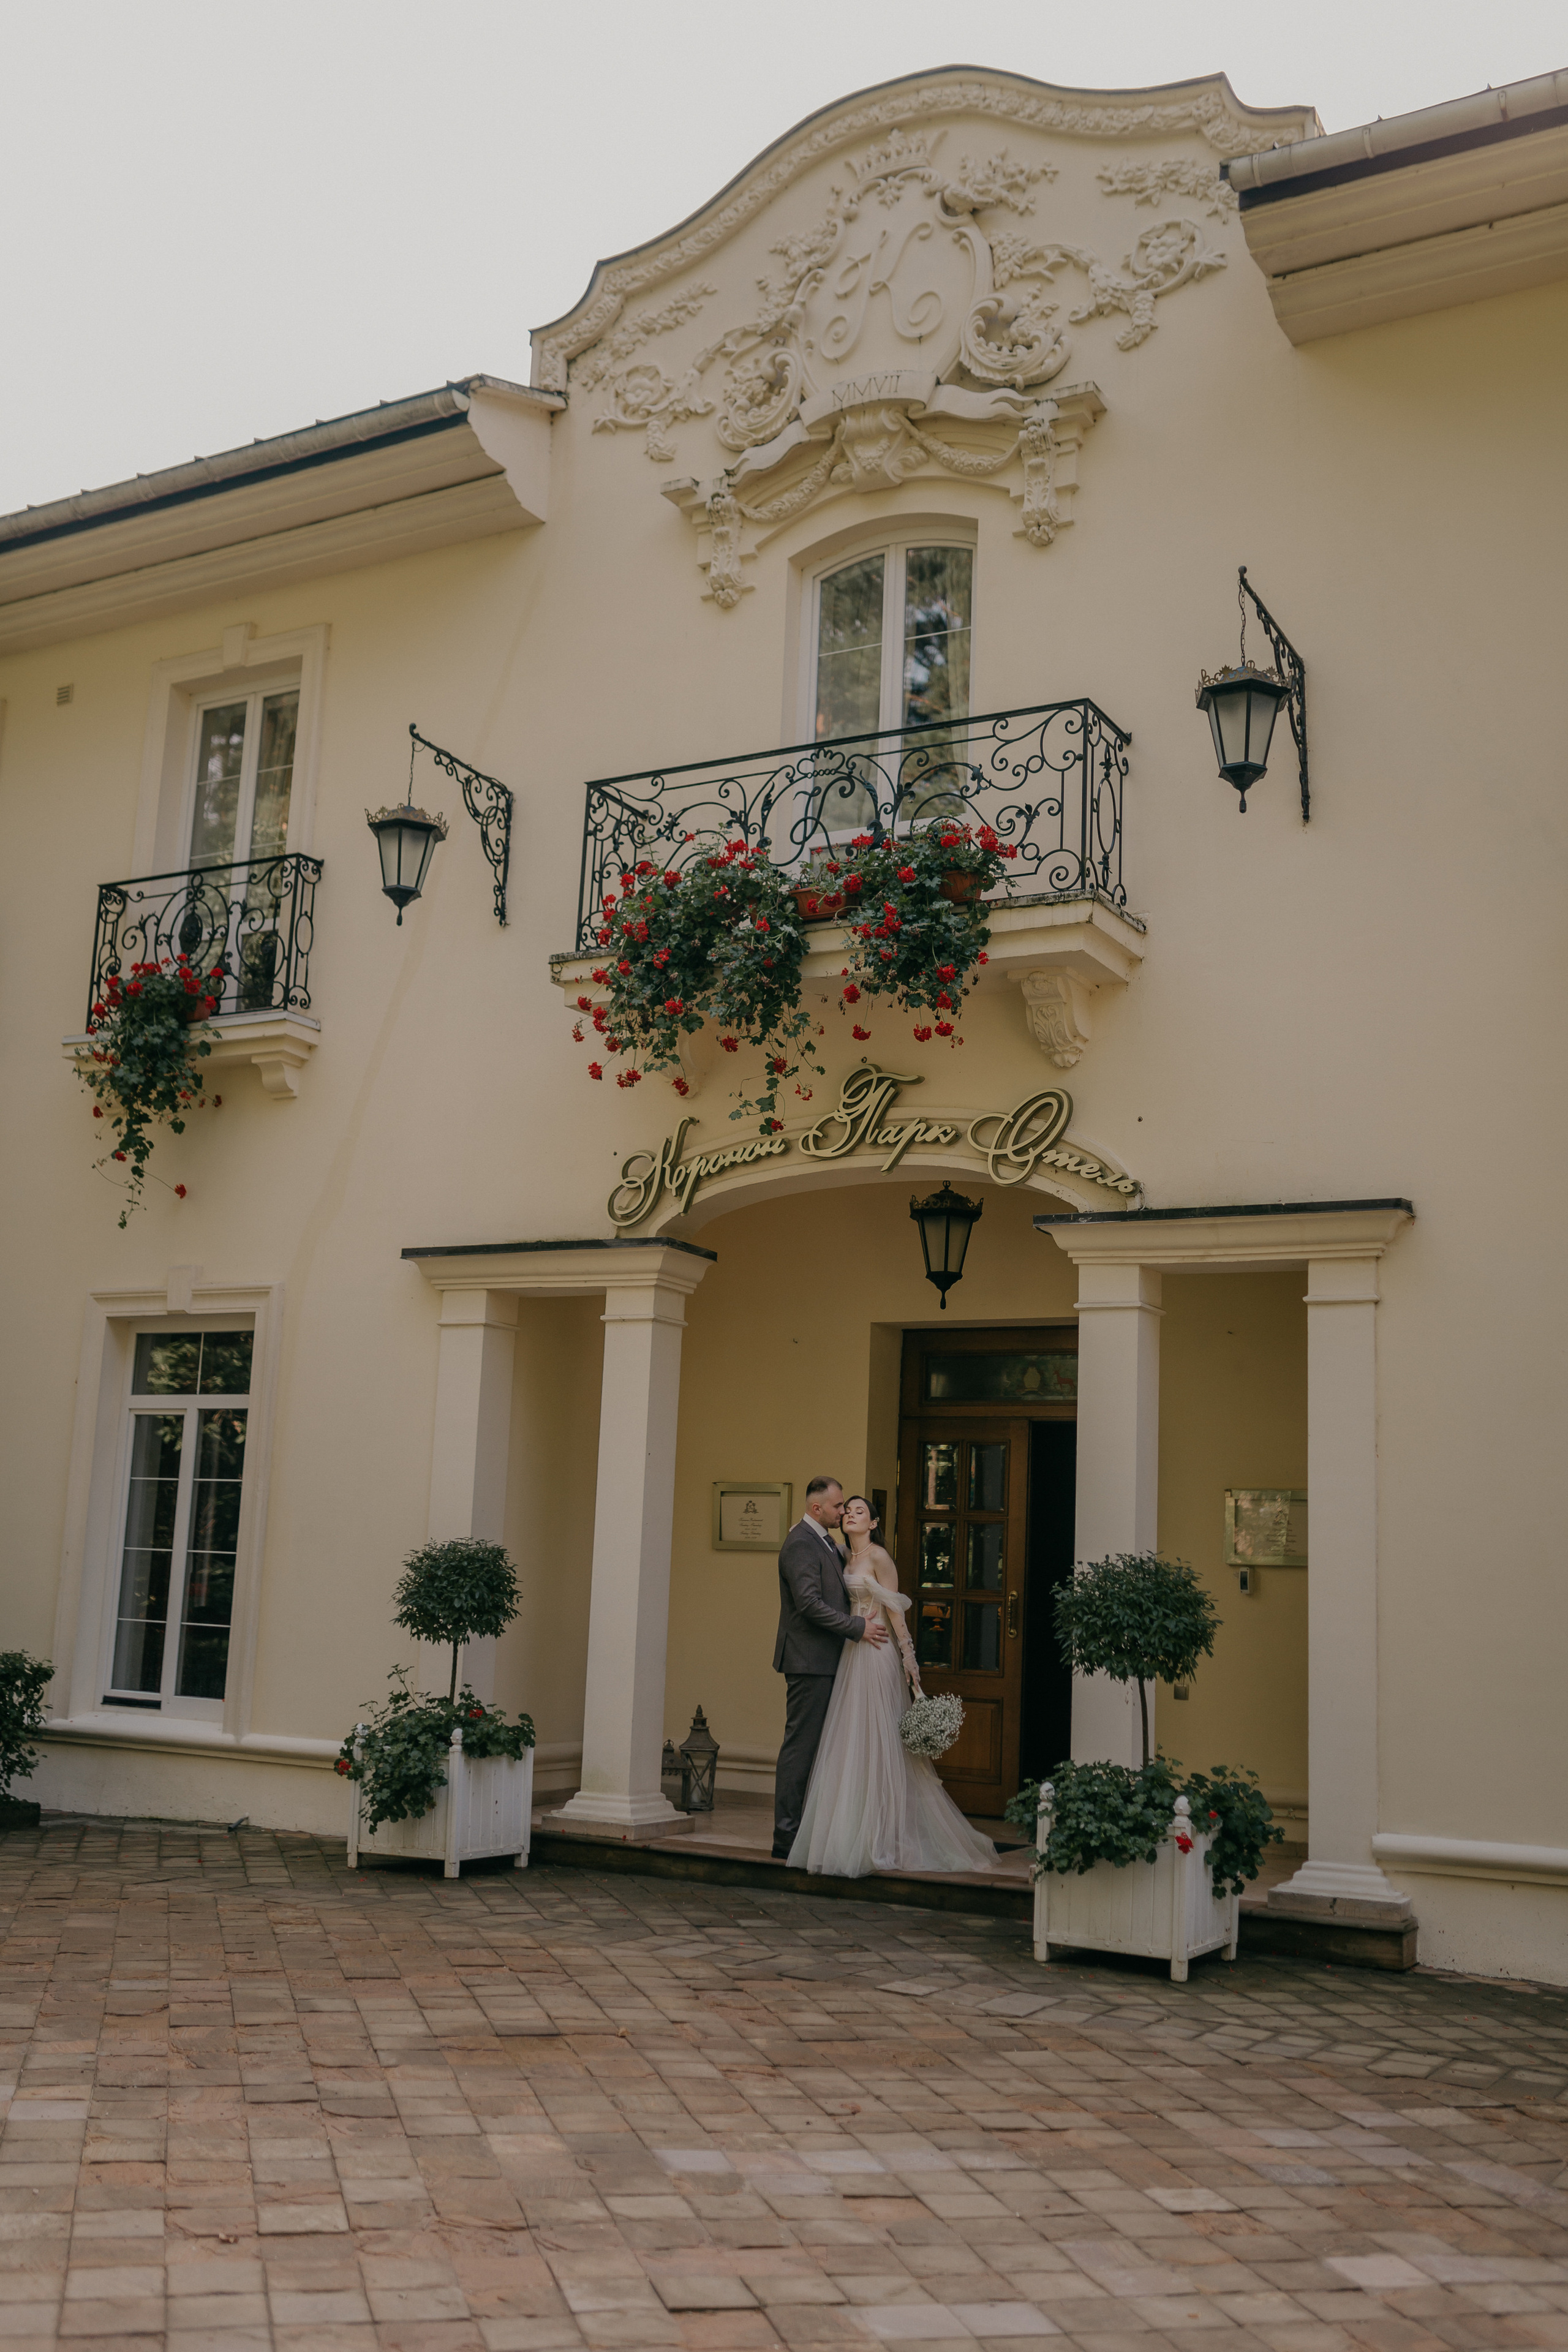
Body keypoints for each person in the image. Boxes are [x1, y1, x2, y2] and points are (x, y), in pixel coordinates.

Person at [788, 1495, 1000, 1878]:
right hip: (852, 1652)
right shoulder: (842, 1555)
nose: (851, 1514)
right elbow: (816, 1544)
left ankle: (884, 1833)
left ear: (873, 1523)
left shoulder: (880, 1557)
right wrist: (797, 1530)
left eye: (860, 1512)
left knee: (880, 1737)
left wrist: (909, 1658)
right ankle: (850, 1832)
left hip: (878, 1650)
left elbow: (896, 1612)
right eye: (848, 1510)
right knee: (851, 1738)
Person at [772, 1476, 888, 1860]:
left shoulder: (825, 1542)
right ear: (817, 1508)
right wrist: (856, 1627)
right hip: (809, 1660)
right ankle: (786, 1838)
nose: (843, 1511)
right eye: (838, 1507)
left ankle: (812, 1833)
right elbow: (808, 1603)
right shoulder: (802, 1543)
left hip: (828, 1659)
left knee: (821, 1749)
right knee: (801, 1748)